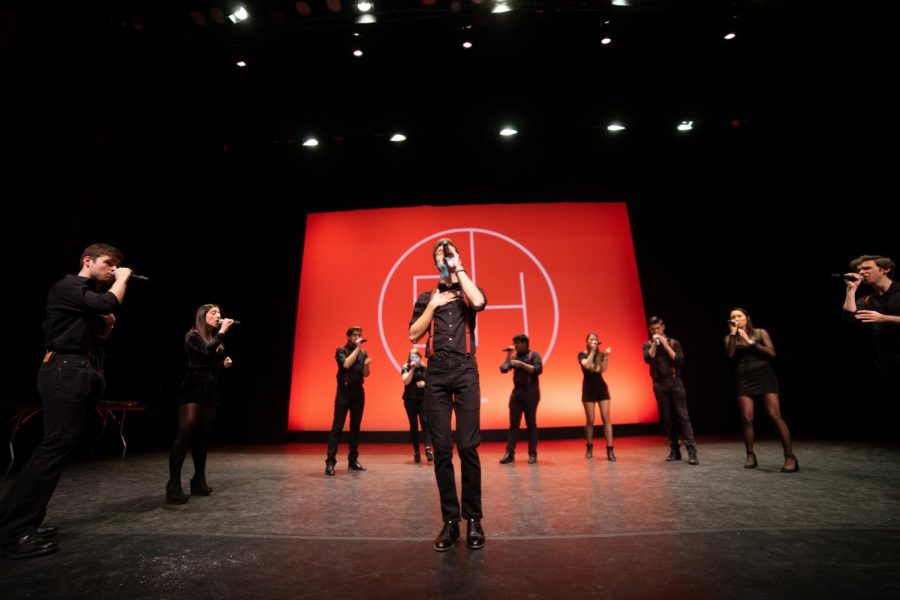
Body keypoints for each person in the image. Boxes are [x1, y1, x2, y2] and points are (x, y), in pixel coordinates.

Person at [0, 243, 132, 559]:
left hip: (81, 370)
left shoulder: (83, 299)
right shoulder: (69, 285)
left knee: (58, 448)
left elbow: (96, 332)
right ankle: (13, 531)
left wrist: (107, 326)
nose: (113, 269)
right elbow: (108, 302)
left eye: (117, 266)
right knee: (53, 447)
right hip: (64, 370)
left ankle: (24, 521)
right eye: (109, 263)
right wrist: (123, 279)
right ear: (87, 261)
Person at [409, 238, 487, 552]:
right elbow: (414, 333)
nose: (445, 255)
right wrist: (433, 304)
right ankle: (451, 521)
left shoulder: (468, 290)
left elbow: (479, 303)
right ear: (434, 261)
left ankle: (474, 520)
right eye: (440, 253)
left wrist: (459, 267)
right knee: (442, 450)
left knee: (468, 445)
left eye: (449, 251)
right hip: (437, 372)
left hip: (466, 370)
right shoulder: (426, 296)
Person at [166, 304, 235, 504]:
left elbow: (211, 361)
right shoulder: (192, 336)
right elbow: (205, 353)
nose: (218, 316)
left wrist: (223, 364)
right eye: (213, 313)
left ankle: (198, 479)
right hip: (193, 388)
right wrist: (222, 332)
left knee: (202, 436)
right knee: (186, 433)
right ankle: (173, 483)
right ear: (202, 316)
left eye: (219, 313)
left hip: (210, 390)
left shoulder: (215, 340)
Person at [725, 308, 797, 472]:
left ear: (747, 318)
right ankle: (750, 454)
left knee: (774, 415)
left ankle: (790, 456)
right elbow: (730, 355)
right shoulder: (730, 337)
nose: (736, 319)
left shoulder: (760, 332)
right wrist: (734, 335)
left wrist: (751, 342)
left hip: (764, 375)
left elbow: (772, 353)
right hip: (743, 378)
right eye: (733, 317)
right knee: (746, 417)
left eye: (739, 316)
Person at [842, 255, 900, 397]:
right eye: (859, 269)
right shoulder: (868, 299)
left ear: (885, 269)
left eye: (866, 268)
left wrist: (884, 318)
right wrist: (851, 289)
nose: (861, 272)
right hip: (889, 361)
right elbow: (850, 318)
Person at [643, 317, 699, 465]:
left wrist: (666, 345)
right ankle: (675, 450)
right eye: (653, 329)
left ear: (663, 327)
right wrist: (655, 344)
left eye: (658, 328)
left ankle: (691, 451)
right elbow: (648, 359)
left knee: (682, 416)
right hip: (659, 384)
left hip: (675, 382)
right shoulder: (647, 344)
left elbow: (679, 361)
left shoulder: (674, 343)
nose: (656, 331)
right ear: (650, 330)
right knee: (668, 418)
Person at [325, 326, 371, 476]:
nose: (358, 337)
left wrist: (366, 364)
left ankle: (353, 461)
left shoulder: (363, 353)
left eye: (359, 335)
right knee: (337, 427)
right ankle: (330, 462)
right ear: (348, 337)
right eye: (355, 335)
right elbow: (346, 365)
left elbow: (366, 374)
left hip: (358, 392)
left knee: (355, 428)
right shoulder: (341, 351)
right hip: (343, 393)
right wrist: (358, 349)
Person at [498, 334, 543, 465]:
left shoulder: (533, 355)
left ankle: (532, 453)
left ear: (525, 343)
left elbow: (538, 370)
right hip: (517, 393)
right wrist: (508, 355)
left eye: (517, 343)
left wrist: (520, 364)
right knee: (513, 424)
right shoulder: (514, 356)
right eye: (514, 343)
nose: (515, 345)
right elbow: (503, 369)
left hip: (531, 392)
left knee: (531, 423)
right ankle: (509, 453)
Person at [579, 333, 615, 461]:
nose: (594, 341)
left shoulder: (600, 355)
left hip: (601, 388)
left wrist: (606, 357)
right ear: (587, 342)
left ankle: (610, 450)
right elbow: (587, 365)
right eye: (591, 339)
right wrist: (593, 352)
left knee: (606, 417)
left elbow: (603, 369)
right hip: (589, 389)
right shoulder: (582, 354)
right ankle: (589, 447)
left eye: (596, 339)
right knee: (590, 419)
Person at [401, 348, 432, 463]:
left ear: (420, 357)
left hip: (423, 398)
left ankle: (428, 449)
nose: (415, 359)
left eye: (416, 356)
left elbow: (432, 382)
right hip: (410, 399)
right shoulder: (406, 367)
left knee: (425, 421)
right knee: (413, 425)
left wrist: (425, 384)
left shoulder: (425, 368)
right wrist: (412, 369)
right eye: (412, 357)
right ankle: (416, 451)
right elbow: (406, 381)